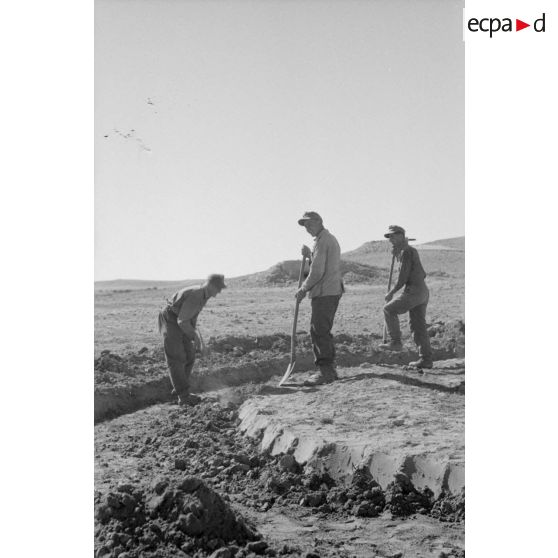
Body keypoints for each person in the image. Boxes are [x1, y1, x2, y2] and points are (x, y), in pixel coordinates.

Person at [158, 274, 226, 405]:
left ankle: (179, 388)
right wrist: (194, 337)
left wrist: (198, 339)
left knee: (190, 355)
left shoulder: (204, 295)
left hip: (180, 320)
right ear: (210, 285)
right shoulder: (197, 294)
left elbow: (190, 317)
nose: (219, 292)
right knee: (177, 357)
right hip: (171, 320)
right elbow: (182, 321)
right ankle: (183, 395)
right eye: (218, 288)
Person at [296, 211, 344, 385]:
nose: (307, 228)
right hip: (328, 291)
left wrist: (303, 289)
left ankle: (326, 372)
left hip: (326, 292)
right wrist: (310, 255)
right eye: (305, 226)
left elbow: (317, 271)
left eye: (310, 224)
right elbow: (319, 264)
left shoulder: (324, 241)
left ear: (319, 222)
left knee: (319, 331)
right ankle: (328, 369)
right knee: (321, 330)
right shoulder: (324, 240)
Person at [378, 225, 433, 369]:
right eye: (389, 237)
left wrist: (391, 292)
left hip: (414, 291)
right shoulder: (407, 251)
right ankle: (425, 359)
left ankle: (395, 342)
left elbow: (403, 277)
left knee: (389, 310)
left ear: (402, 235)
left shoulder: (406, 252)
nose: (391, 239)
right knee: (417, 326)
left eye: (393, 236)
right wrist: (397, 254)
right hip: (422, 291)